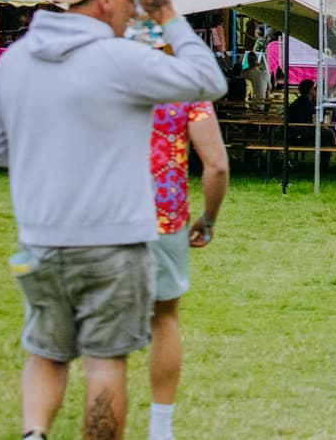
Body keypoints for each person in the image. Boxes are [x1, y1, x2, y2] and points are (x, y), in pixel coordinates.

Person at [0, 0, 226, 440]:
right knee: (104, 363)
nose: (134, 13)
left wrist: (52, 158)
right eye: (131, 1)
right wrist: (167, 14)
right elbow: (208, 81)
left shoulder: (17, 57)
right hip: (112, 240)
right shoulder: (119, 59)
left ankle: (34, 434)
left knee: (46, 353)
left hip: (41, 237)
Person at [146, 91, 228, 440]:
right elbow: (217, 165)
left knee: (103, 338)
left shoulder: (101, 69)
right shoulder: (184, 81)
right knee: (164, 320)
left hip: (106, 214)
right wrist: (208, 219)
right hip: (164, 214)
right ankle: (160, 428)